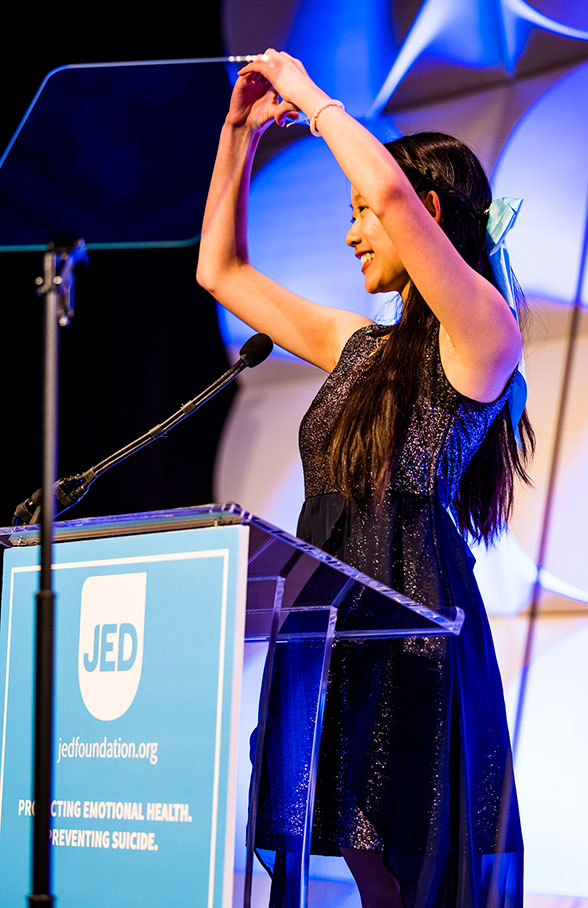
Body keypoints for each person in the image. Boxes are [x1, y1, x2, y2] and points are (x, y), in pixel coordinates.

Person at [197, 49, 532, 908]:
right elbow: (220, 274)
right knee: (363, 858)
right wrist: (237, 133)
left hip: (410, 628)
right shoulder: (358, 345)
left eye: (360, 215)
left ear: (421, 212)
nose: (352, 233)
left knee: (408, 860)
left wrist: (309, 99)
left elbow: (384, 192)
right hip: (327, 621)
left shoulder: (484, 335)